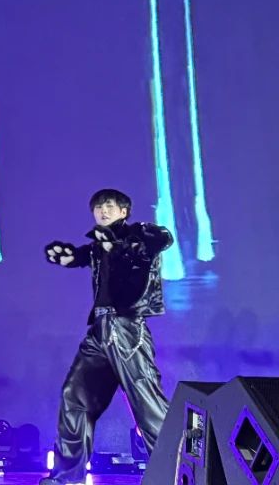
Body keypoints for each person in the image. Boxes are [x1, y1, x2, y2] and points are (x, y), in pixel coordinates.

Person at [42, 188, 174, 485]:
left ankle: (177, 472)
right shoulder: (98, 246)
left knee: (147, 403)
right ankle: (67, 477)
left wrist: (119, 246)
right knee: (74, 397)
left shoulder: (138, 236)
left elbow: (161, 239)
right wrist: (68, 257)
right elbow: (83, 255)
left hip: (127, 329)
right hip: (100, 329)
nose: (103, 210)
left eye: (110, 206)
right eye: (98, 207)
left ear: (124, 211)